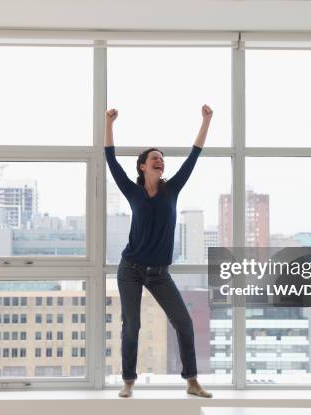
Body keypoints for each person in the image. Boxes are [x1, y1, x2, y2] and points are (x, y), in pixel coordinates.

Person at [104, 105, 213, 398]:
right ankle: (128, 381)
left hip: (160, 274)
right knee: (132, 326)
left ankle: (192, 381)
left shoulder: (172, 189)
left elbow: (194, 155)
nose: (160, 163)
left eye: (162, 160)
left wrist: (206, 121)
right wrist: (108, 122)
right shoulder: (133, 191)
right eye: (155, 159)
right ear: (142, 165)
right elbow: (110, 159)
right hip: (130, 269)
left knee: (184, 323)